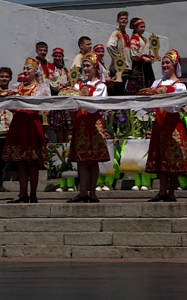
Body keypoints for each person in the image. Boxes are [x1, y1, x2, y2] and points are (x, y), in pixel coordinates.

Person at [2, 57, 51, 203]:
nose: (25, 71)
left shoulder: (40, 88)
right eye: (24, 68)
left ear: (35, 71)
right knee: (20, 161)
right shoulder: (18, 88)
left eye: (28, 69)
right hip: (19, 124)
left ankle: (33, 194)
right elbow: (12, 107)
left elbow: (46, 109)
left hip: (32, 125)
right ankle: (23, 193)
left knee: (32, 161)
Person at [146, 50, 187, 202]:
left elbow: (176, 107)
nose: (165, 65)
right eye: (163, 63)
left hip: (172, 124)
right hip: (160, 122)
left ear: (174, 65)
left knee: (173, 158)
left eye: (168, 63)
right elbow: (150, 106)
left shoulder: (180, 86)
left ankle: (171, 191)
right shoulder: (156, 83)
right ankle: (161, 191)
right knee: (161, 157)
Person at [67, 52, 111, 203]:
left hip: (94, 124)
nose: (85, 69)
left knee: (93, 160)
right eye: (84, 66)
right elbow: (72, 107)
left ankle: (92, 193)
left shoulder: (100, 86)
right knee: (82, 160)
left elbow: (96, 106)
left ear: (95, 68)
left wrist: (81, 99)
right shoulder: (78, 85)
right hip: (81, 123)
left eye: (88, 66)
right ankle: (83, 192)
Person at [47, 47, 74, 143]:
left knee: (67, 125)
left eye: (59, 56)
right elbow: (50, 81)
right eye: (55, 56)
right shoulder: (50, 68)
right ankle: (60, 145)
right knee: (59, 127)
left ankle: (66, 145)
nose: (57, 58)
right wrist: (58, 87)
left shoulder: (65, 70)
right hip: (57, 99)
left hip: (65, 100)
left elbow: (69, 81)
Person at [125, 17, 155, 95]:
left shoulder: (144, 39)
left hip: (146, 67)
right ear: (135, 27)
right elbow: (134, 53)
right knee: (138, 88)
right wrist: (143, 58)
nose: (143, 29)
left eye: (144, 27)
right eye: (141, 27)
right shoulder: (135, 38)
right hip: (139, 68)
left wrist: (151, 57)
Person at [106, 11, 131, 95]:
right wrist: (117, 59)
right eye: (121, 19)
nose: (123, 20)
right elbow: (109, 46)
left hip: (127, 68)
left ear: (127, 21)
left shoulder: (127, 35)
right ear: (118, 21)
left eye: (125, 19)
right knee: (117, 92)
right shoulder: (116, 33)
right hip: (119, 69)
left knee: (123, 91)